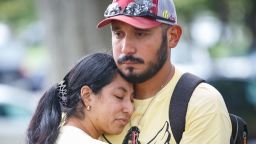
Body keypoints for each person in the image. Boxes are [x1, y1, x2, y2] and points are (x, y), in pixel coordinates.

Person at [97, 0, 232, 143]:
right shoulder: (93, 97)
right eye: (118, 34)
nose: (126, 48)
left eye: (140, 34)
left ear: (172, 37)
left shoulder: (201, 104)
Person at [26, 53, 134, 144]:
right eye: (119, 96)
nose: (130, 109)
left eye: (132, 99)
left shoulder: (55, 136)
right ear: (87, 96)